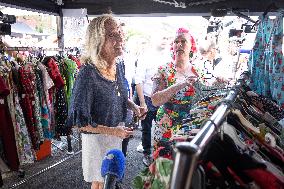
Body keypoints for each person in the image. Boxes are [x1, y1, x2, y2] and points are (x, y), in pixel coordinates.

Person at [66, 14, 146, 189]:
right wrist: (113, 131)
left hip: (116, 134)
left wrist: (134, 106)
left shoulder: (118, 66)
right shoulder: (88, 74)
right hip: (97, 139)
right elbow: (80, 123)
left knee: (111, 179)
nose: (120, 38)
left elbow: (120, 96)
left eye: (119, 32)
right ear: (97, 40)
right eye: (112, 34)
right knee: (100, 182)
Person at [151, 28, 200, 146]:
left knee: (186, 161)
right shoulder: (163, 70)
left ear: (191, 46)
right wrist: (178, 85)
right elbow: (155, 100)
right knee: (163, 161)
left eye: (183, 41)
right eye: (176, 42)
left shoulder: (199, 71)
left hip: (190, 127)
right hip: (166, 126)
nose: (179, 44)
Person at [134, 34, 172, 166]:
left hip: (164, 99)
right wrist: (142, 102)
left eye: (167, 38)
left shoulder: (169, 56)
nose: (165, 40)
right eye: (162, 37)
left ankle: (161, 152)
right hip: (148, 98)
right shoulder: (145, 56)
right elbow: (138, 81)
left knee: (163, 127)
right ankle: (147, 153)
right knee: (146, 128)